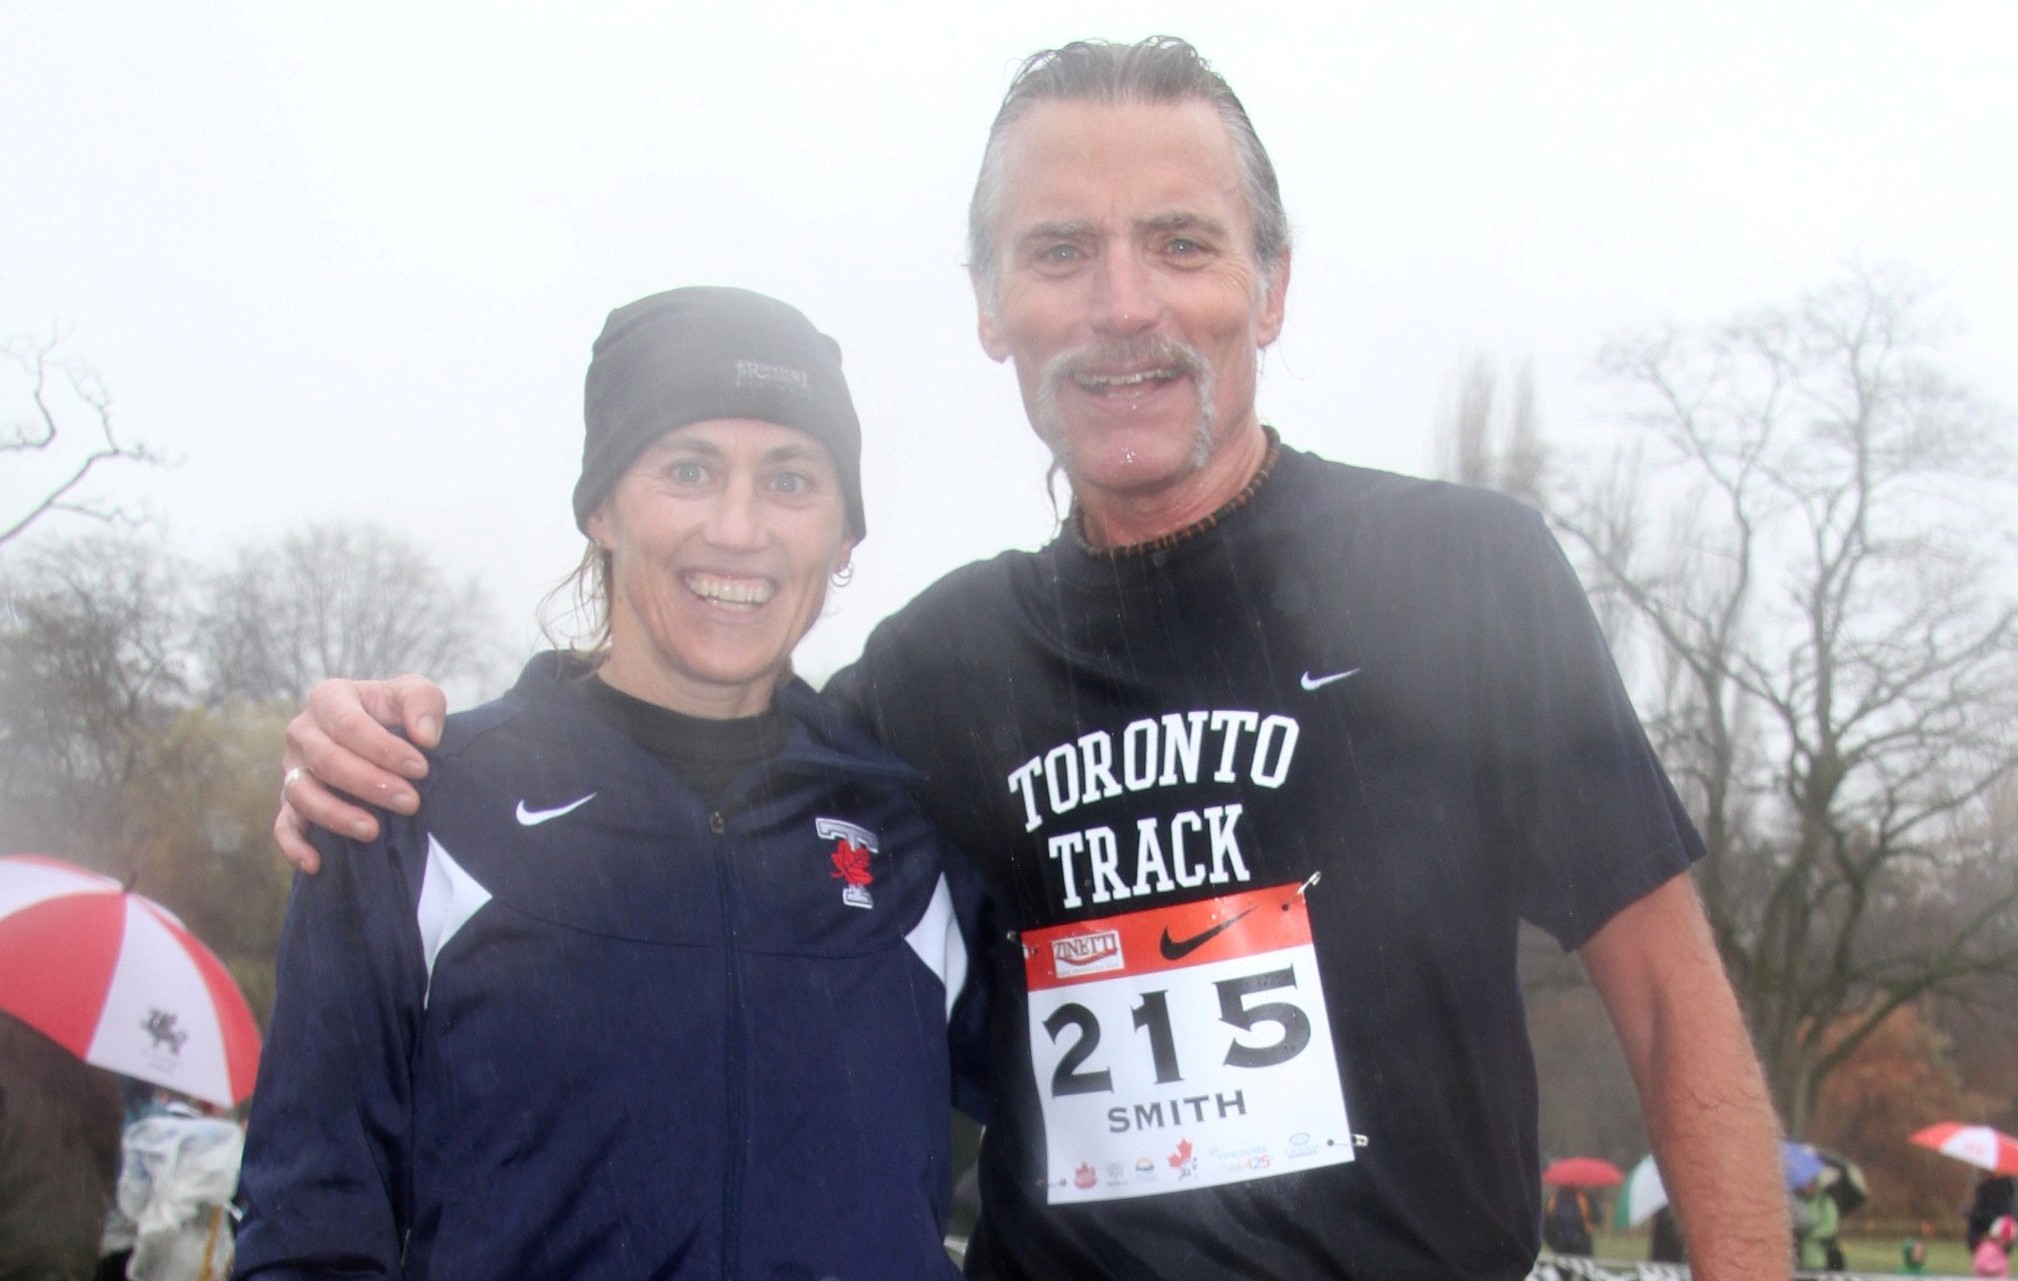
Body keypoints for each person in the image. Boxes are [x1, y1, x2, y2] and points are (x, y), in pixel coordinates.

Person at [271, 36, 1789, 1281]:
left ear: (1269, 284)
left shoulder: (1464, 575)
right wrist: (389, 748)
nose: (1122, 306)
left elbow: (1670, 1001)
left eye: (1179, 244)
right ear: (992, 309)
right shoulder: (930, 676)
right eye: (1060, 252)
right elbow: (690, 766)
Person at [235, 288, 982, 1280]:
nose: (738, 527)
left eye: (790, 479)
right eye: (688, 469)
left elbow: (1084, 1162)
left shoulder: (920, 837)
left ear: (844, 533)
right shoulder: (411, 808)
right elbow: (307, 1230)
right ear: (600, 506)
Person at [1794, 1173, 1841, 1271]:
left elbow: (1829, 1227)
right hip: (1796, 1258)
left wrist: (1807, 1235)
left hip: (1818, 1256)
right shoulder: (1797, 1201)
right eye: (1803, 1183)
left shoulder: (1824, 1201)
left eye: (1809, 1183)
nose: (1806, 1186)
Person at [1541, 1185, 1593, 1257]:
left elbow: (1547, 1222)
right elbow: (1596, 1218)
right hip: (1581, 1244)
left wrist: (1552, 1242)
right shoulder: (1583, 1198)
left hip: (1559, 1244)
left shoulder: (1554, 1199)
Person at [1973, 1172, 2018, 1251]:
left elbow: (2008, 1207)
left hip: (2001, 1225)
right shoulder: (1984, 1187)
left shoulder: (2007, 1186)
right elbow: (1980, 1209)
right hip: (1988, 1225)